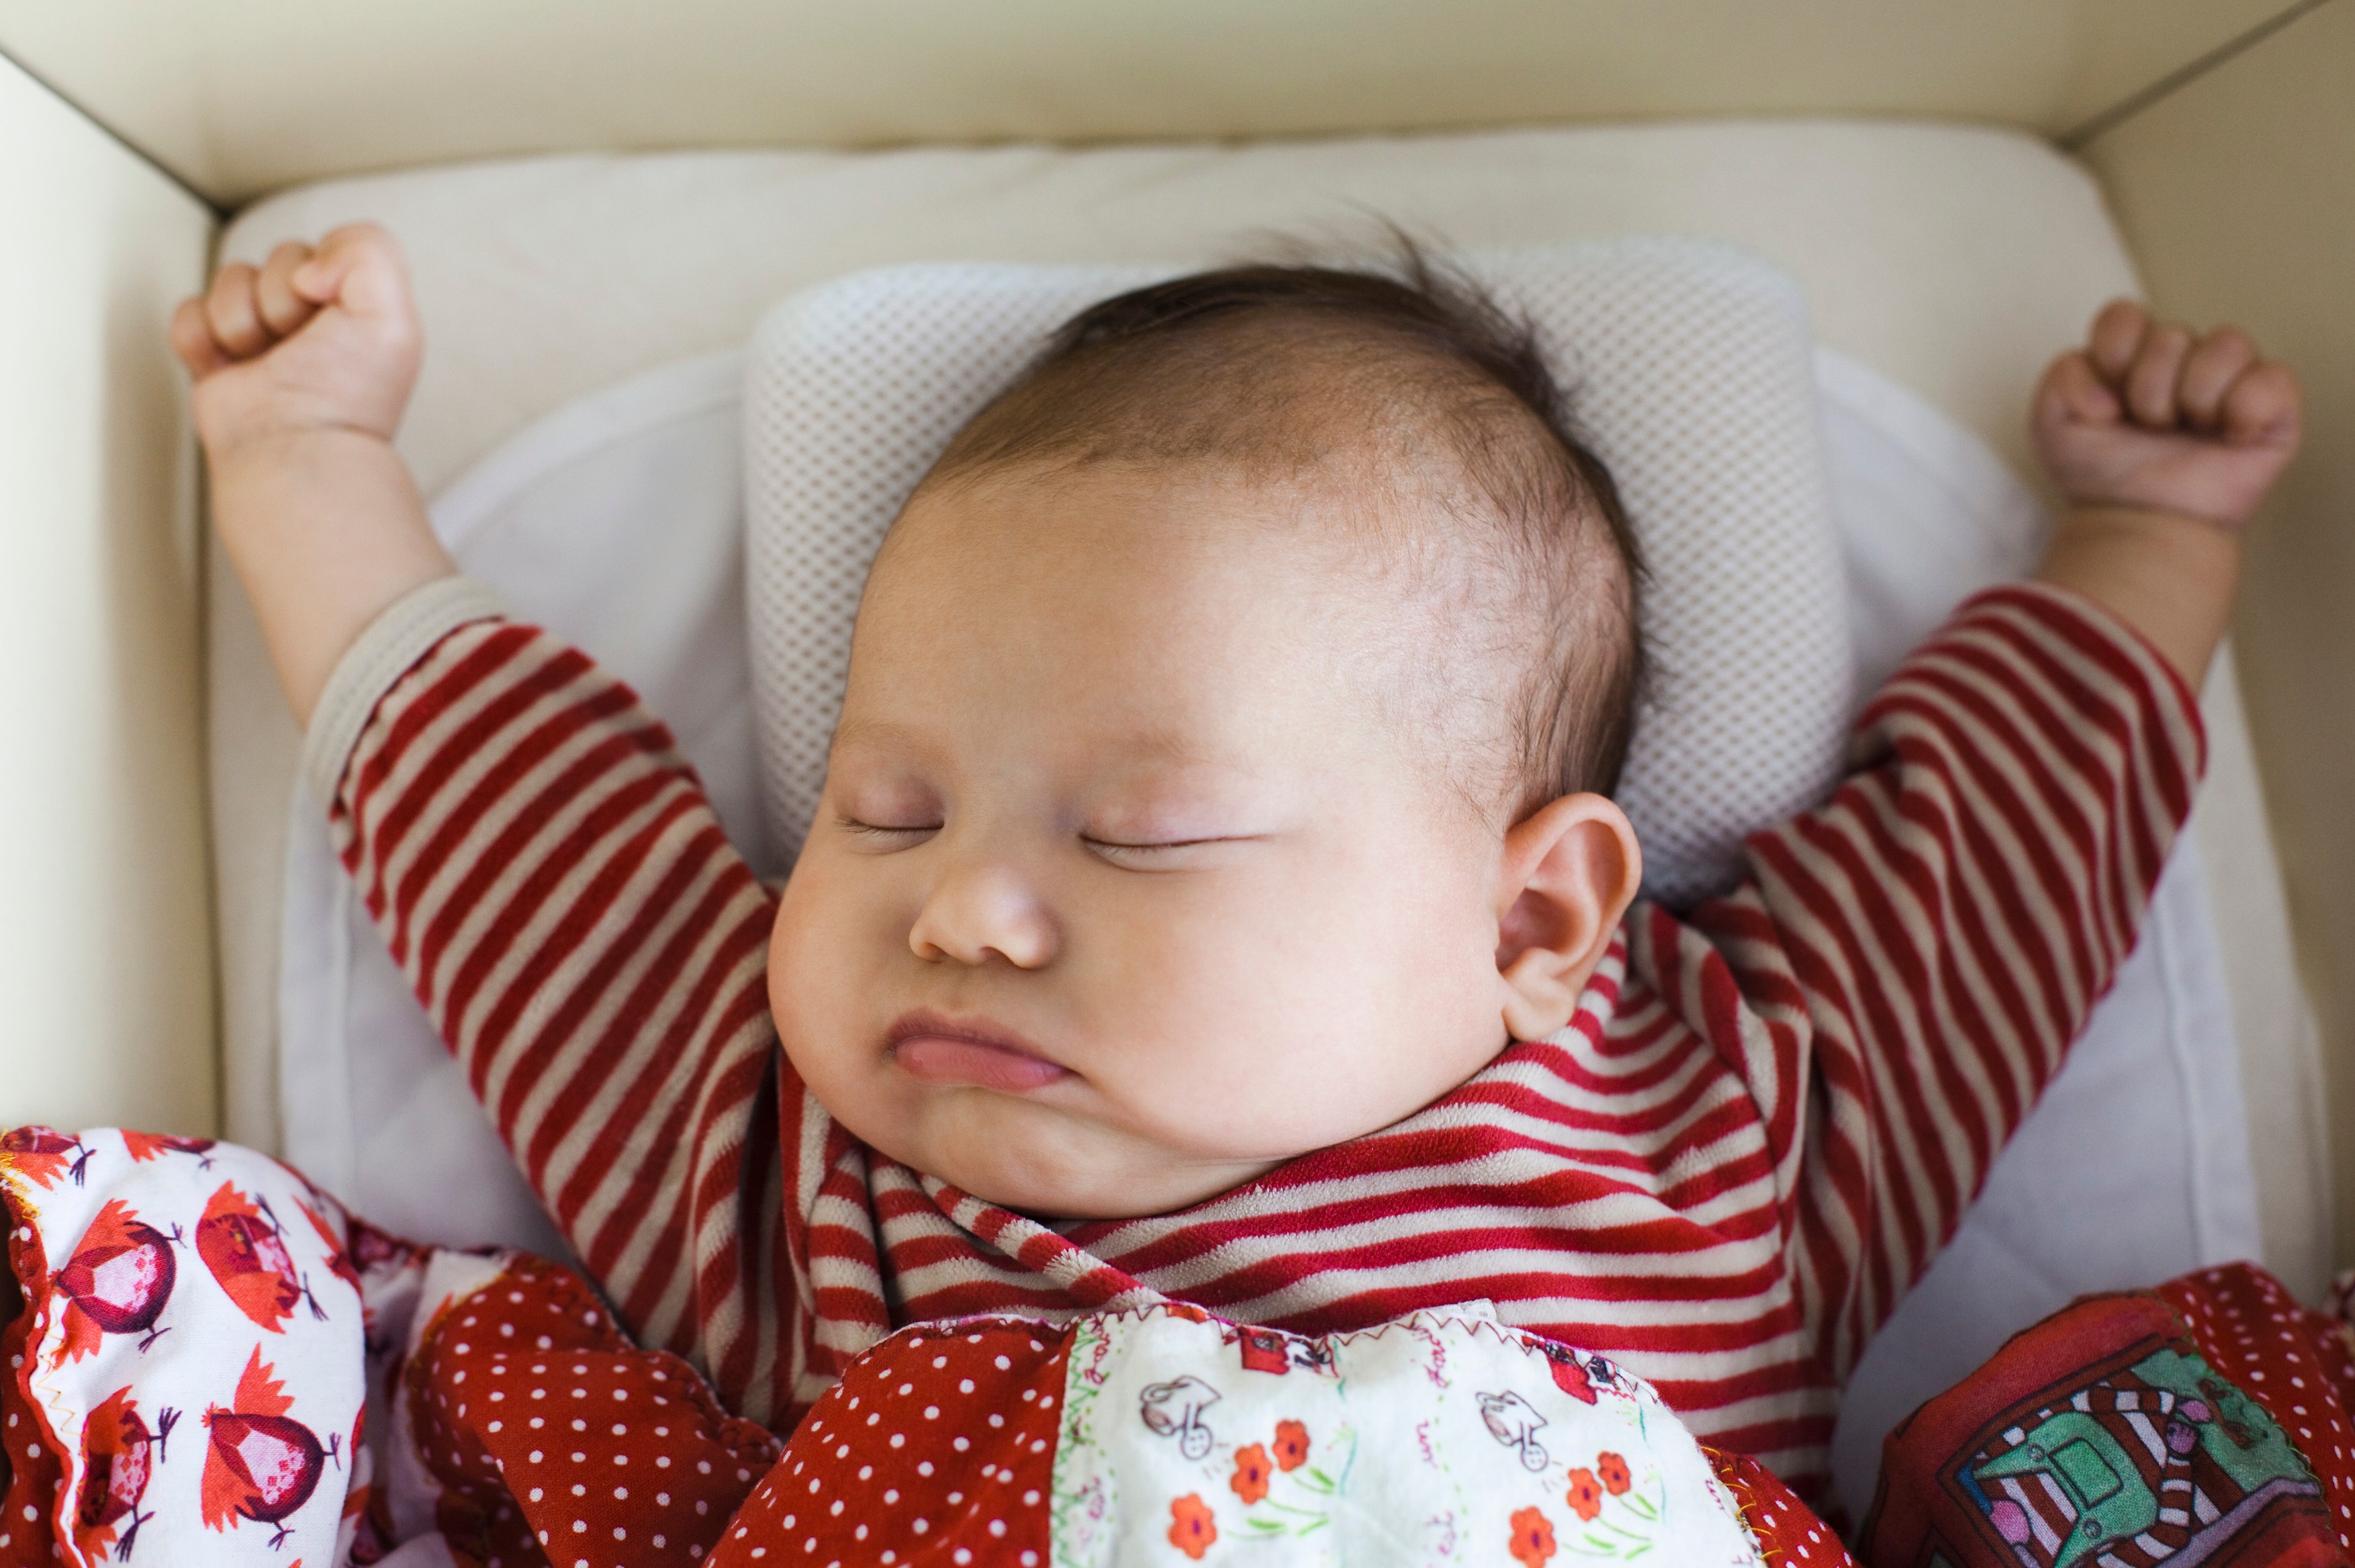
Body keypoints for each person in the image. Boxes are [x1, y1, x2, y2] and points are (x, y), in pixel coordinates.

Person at [171, 224, 2299, 1500]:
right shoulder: (811, 1181)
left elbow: (2001, 843)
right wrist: (303, 463)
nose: (957, 908)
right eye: (883, 806)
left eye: (1141, 833)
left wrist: (2144, 533)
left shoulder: (1719, 1126)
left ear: (1531, 916)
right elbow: (518, 834)